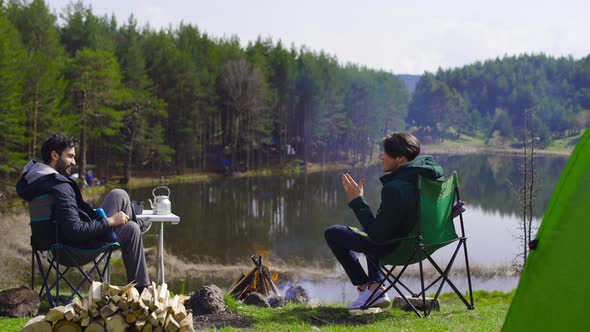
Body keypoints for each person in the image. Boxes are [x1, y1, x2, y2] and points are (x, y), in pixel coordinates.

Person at [324, 132, 445, 309]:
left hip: (401, 248)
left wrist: (357, 200)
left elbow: (377, 235)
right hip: (426, 244)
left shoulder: (396, 188)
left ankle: (368, 288)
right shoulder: (428, 179)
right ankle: (374, 288)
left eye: (386, 153)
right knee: (371, 232)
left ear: (401, 158)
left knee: (333, 232)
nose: (382, 157)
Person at [16, 134, 151, 291]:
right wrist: (110, 221)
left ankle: (135, 227)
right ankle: (142, 291)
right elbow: (75, 230)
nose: (74, 162)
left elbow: (66, 219)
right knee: (132, 228)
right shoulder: (59, 186)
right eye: (70, 156)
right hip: (73, 249)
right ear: (54, 155)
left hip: (53, 244)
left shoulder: (37, 180)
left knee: (118, 194)